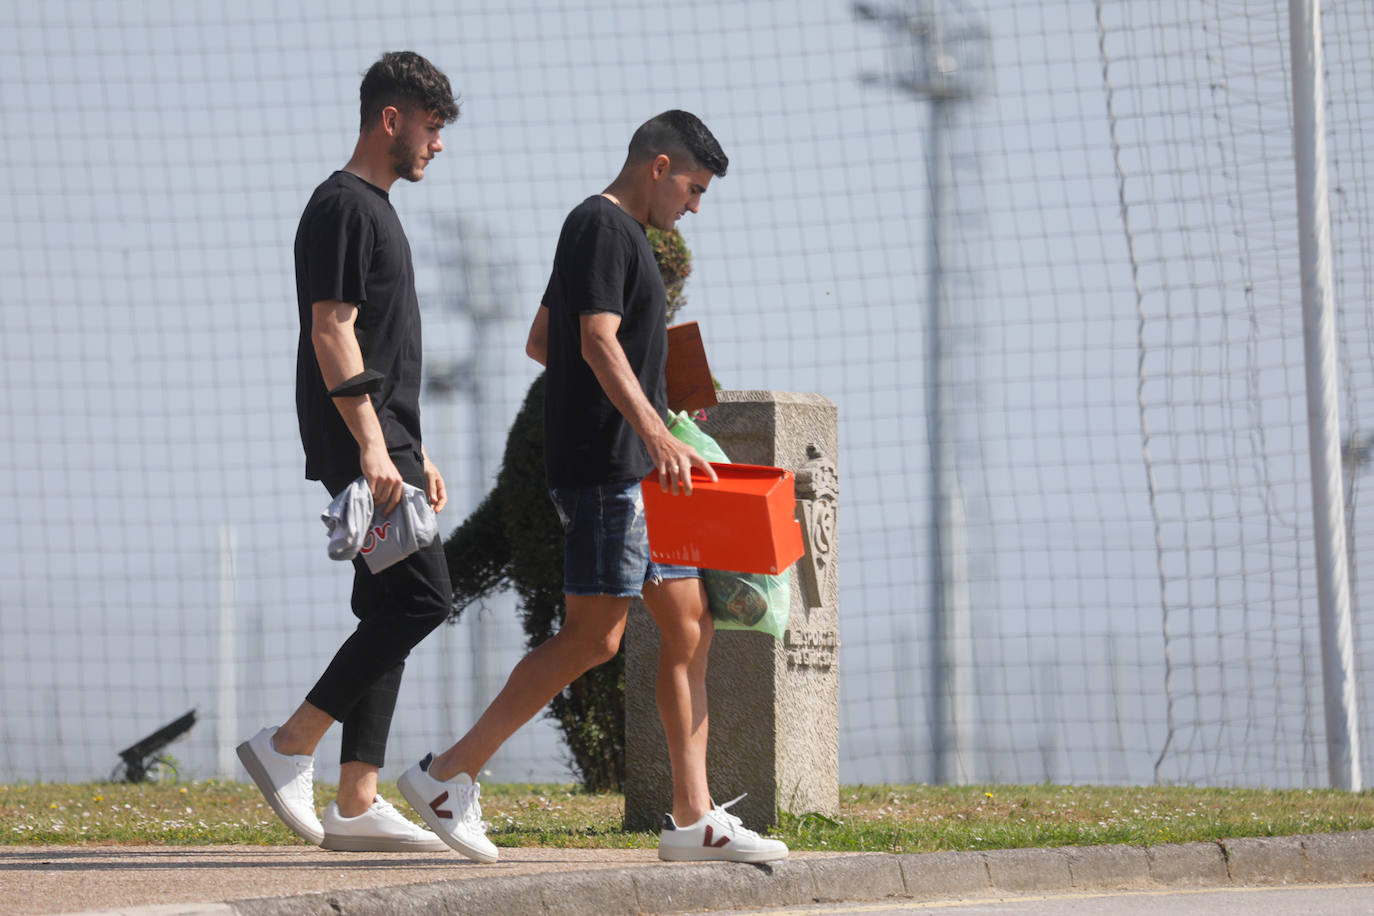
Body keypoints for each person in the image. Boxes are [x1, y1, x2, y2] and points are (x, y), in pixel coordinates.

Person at [398, 110, 789, 865]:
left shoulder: (619, 238)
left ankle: (692, 820)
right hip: (613, 473)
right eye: (694, 188)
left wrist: (658, 396)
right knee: (594, 637)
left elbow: (544, 341)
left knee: (690, 627)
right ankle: (447, 776)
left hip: (638, 470)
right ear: (659, 165)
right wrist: (649, 429)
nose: (695, 206)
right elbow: (592, 339)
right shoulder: (603, 228)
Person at [236, 51, 461, 852]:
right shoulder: (342, 206)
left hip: (389, 439)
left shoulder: (379, 210)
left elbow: (384, 344)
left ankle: (358, 799)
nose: (438, 144)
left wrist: (414, 444)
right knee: (421, 601)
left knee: (388, 609)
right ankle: (288, 745)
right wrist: (373, 446)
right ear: (390, 119)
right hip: (361, 441)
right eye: (431, 128)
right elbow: (330, 327)